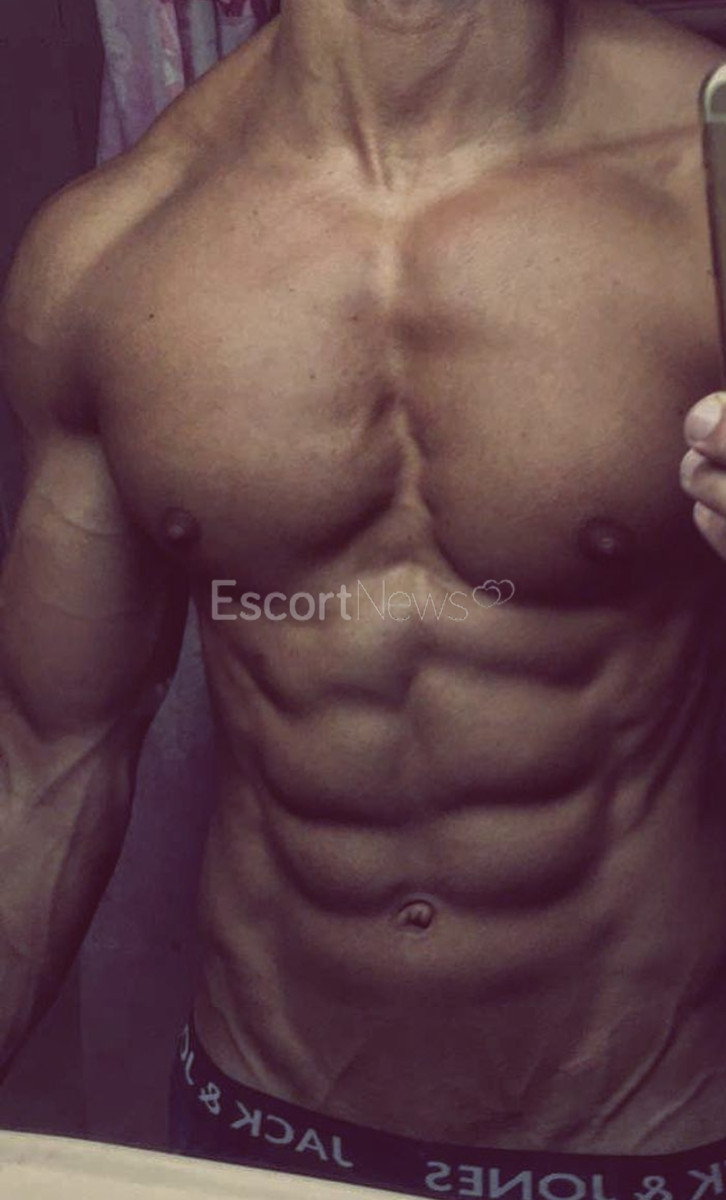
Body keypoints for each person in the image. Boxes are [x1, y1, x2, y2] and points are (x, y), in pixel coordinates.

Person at [3, 0, 726, 1193]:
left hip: (643, 1138)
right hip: (263, 1127)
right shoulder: (112, 248)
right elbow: (46, 767)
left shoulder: (704, 185)